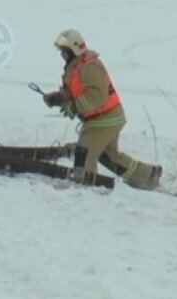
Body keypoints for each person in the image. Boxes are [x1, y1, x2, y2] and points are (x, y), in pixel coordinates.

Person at [43, 29, 162, 189]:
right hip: (108, 117)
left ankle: (85, 188)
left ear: (74, 49)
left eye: (64, 51)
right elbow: (74, 91)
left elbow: (97, 97)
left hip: (104, 119)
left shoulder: (90, 67)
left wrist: (74, 108)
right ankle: (148, 175)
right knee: (109, 156)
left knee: (84, 152)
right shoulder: (76, 67)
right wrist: (58, 98)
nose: (62, 55)